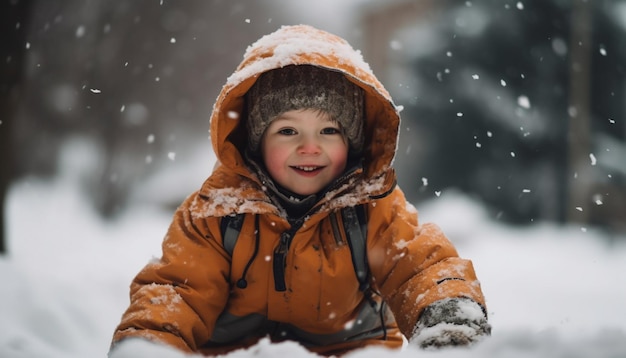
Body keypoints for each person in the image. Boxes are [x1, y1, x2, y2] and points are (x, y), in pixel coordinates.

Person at [109, 24, 490, 357]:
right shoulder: (217, 213)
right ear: (256, 142)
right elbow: (178, 292)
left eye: (329, 131)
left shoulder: (372, 209)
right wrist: (150, 344)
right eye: (288, 131)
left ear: (352, 143)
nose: (310, 148)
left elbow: (421, 266)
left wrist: (447, 313)